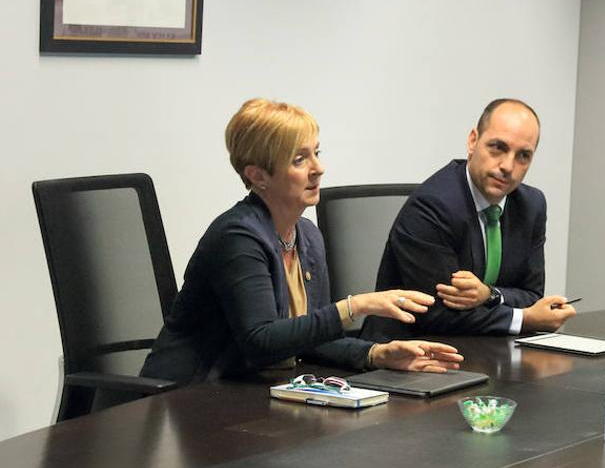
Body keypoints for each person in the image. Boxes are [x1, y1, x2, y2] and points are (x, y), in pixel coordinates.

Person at [141, 99, 463, 384]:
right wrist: (356, 306)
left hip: (248, 398)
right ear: (258, 176)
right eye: (299, 159)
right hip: (186, 401)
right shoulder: (237, 237)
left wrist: (377, 354)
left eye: (317, 153)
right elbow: (261, 341)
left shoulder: (306, 235)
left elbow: (309, 337)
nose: (319, 168)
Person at [363, 98, 575, 339]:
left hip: (487, 350)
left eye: (523, 156)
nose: (508, 165)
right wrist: (523, 318)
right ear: (473, 140)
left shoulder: (531, 205)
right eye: (498, 147)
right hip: (409, 354)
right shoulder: (432, 206)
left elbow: (532, 295)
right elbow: (439, 314)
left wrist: (490, 294)